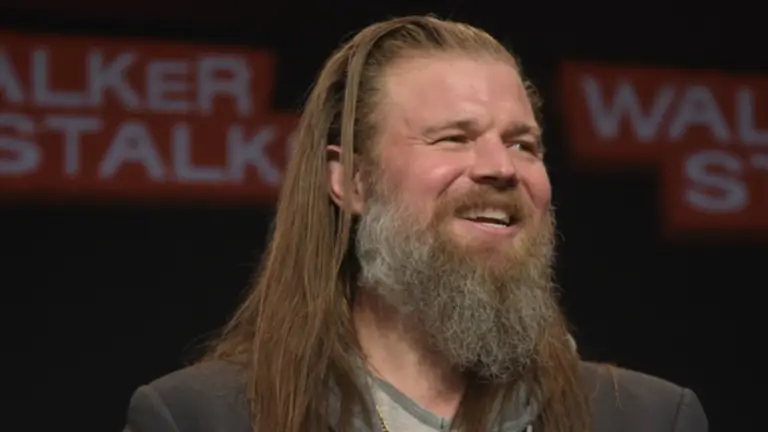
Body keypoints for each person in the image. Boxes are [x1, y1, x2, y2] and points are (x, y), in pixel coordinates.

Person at [123, 15, 707, 432]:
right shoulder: (202, 418)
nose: (501, 167)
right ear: (352, 180)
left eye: (523, 144)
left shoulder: (650, 419)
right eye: (454, 138)